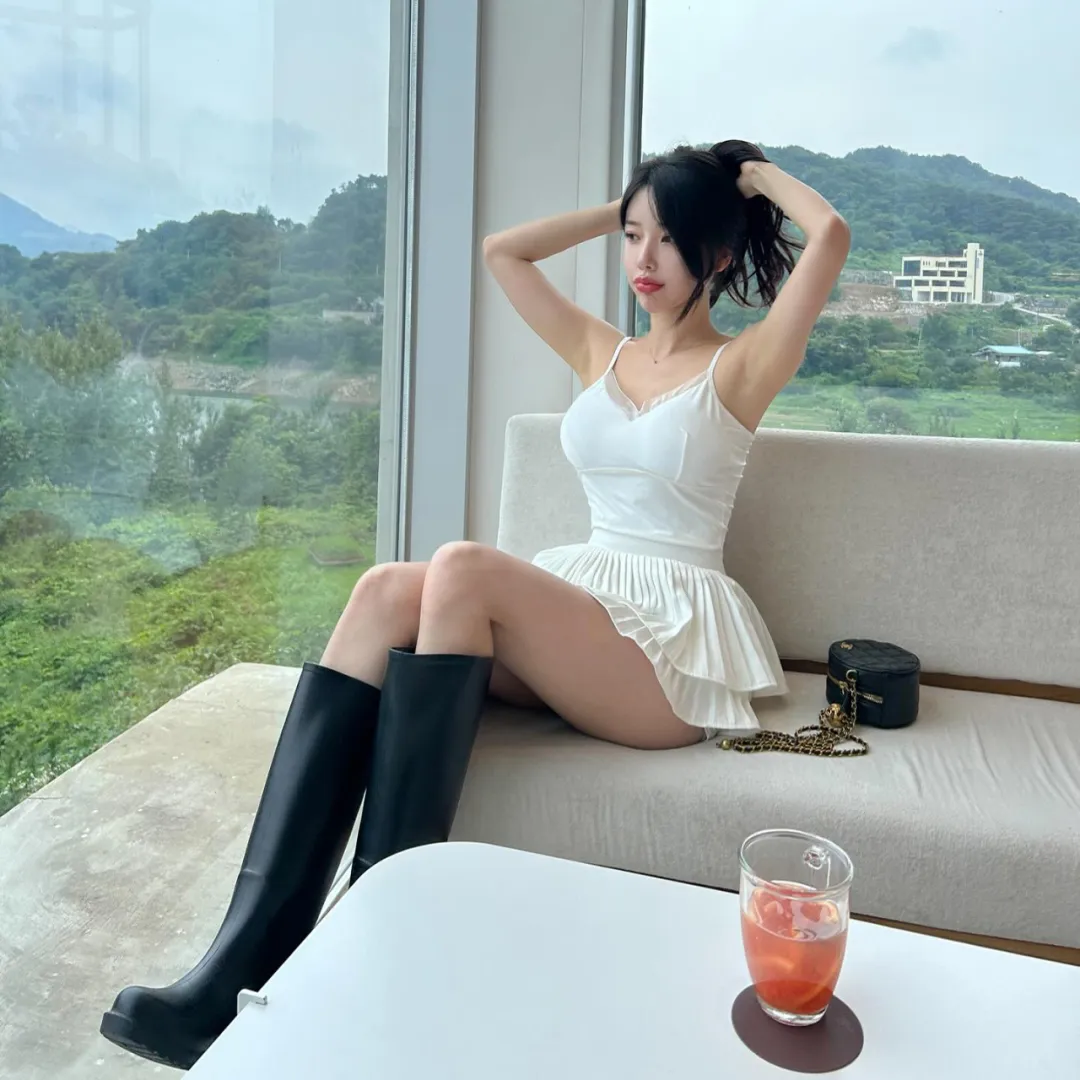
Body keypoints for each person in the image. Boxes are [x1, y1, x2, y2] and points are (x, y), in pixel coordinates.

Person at [99, 139, 850, 1069]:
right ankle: (234, 966)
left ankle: (372, 959)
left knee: (462, 566)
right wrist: (632, 201)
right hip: (584, 608)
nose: (644, 259)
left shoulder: (742, 368)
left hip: (666, 656)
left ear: (721, 255)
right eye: (633, 237)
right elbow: (505, 251)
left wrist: (748, 181)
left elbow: (830, 235)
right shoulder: (601, 351)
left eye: (668, 240)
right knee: (384, 588)